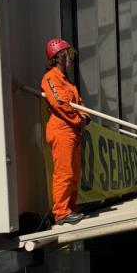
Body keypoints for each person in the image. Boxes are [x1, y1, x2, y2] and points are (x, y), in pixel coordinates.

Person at [41, 38, 91, 225]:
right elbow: (59, 103)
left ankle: (71, 208)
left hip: (72, 131)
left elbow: (79, 103)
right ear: (59, 56)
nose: (71, 59)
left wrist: (84, 116)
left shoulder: (68, 83)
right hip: (62, 131)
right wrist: (79, 119)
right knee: (64, 173)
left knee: (74, 173)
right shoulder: (51, 78)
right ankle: (61, 212)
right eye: (68, 55)